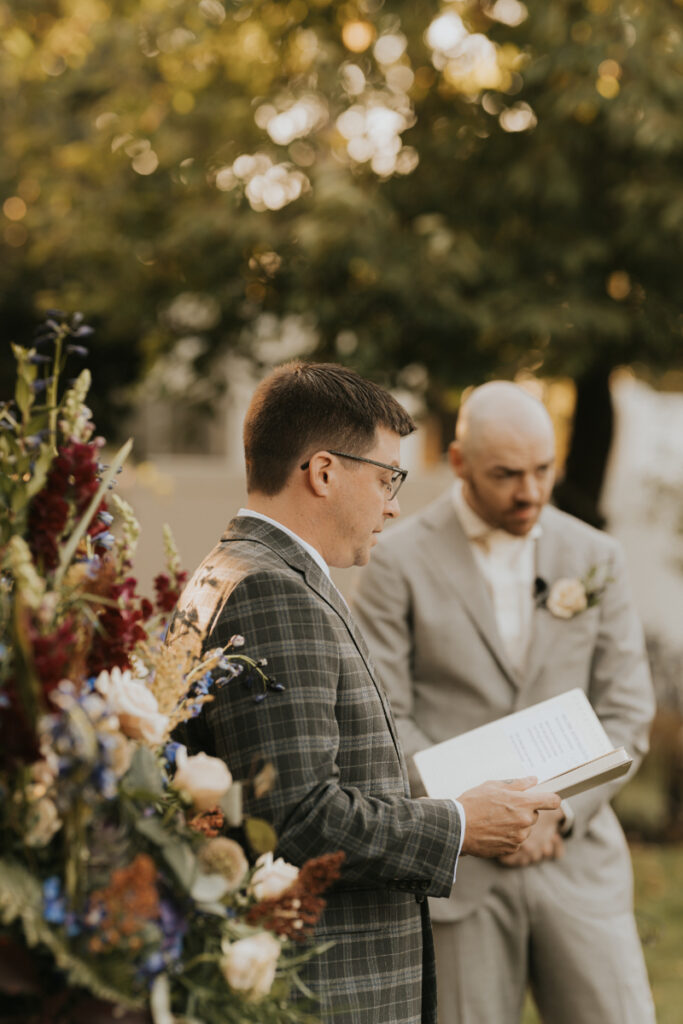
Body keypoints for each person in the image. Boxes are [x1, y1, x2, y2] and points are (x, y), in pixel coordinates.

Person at [165, 364, 560, 1024]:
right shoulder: (272, 591)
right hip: (327, 992)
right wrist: (459, 824)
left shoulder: (236, 569)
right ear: (322, 472)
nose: (394, 505)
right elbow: (299, 815)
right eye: (385, 479)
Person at [353, 380, 657, 1024]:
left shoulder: (596, 555)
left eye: (543, 470)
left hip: (577, 862)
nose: (531, 492)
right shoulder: (395, 560)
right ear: (459, 462)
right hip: (462, 875)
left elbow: (628, 711)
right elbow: (386, 718)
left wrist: (556, 814)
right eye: (507, 474)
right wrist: (473, 821)